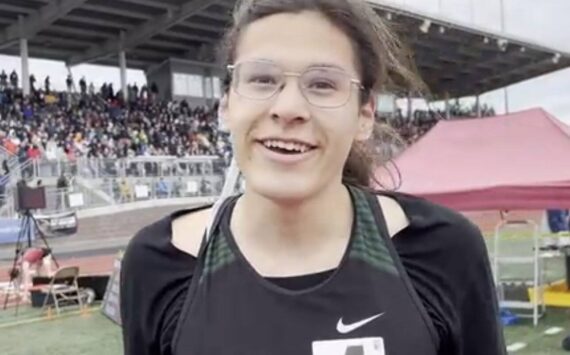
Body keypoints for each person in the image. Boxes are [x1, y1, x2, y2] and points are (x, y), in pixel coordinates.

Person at [120, 1, 506, 354]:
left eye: (322, 84)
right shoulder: (159, 262)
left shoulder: (443, 249)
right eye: (262, 79)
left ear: (365, 115)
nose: (288, 108)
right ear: (226, 104)